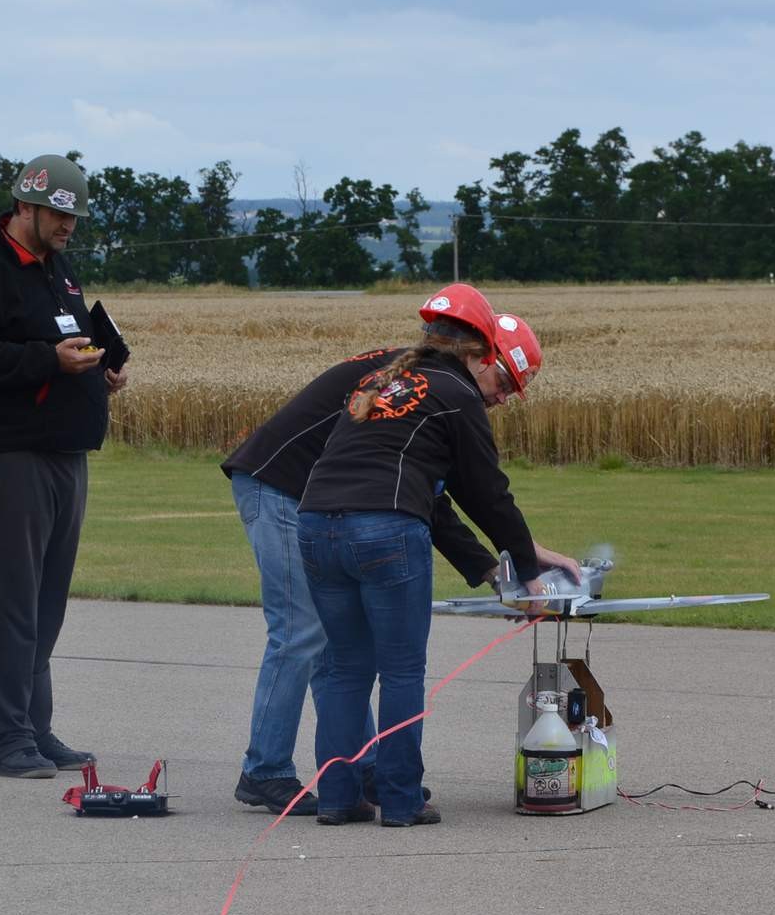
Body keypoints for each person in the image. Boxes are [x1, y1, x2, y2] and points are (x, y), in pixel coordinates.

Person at [223, 338, 577, 816]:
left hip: (327, 506)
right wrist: (522, 563)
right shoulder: (433, 383)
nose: (504, 397)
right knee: (302, 633)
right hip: (281, 483)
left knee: (340, 656)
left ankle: (361, 772)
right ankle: (266, 770)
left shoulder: (425, 378)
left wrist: (500, 567)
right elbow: (474, 493)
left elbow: (430, 496)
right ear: (481, 357)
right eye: (504, 382)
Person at [0, 154, 129, 778]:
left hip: (64, 451)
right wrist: (51, 360)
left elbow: (66, 338)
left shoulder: (58, 267)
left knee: (46, 602)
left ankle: (34, 728)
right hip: (5, 454)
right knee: (9, 601)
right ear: (25, 205)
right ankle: (4, 738)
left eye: (75, 216)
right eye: (58, 214)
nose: (69, 225)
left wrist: (100, 369)